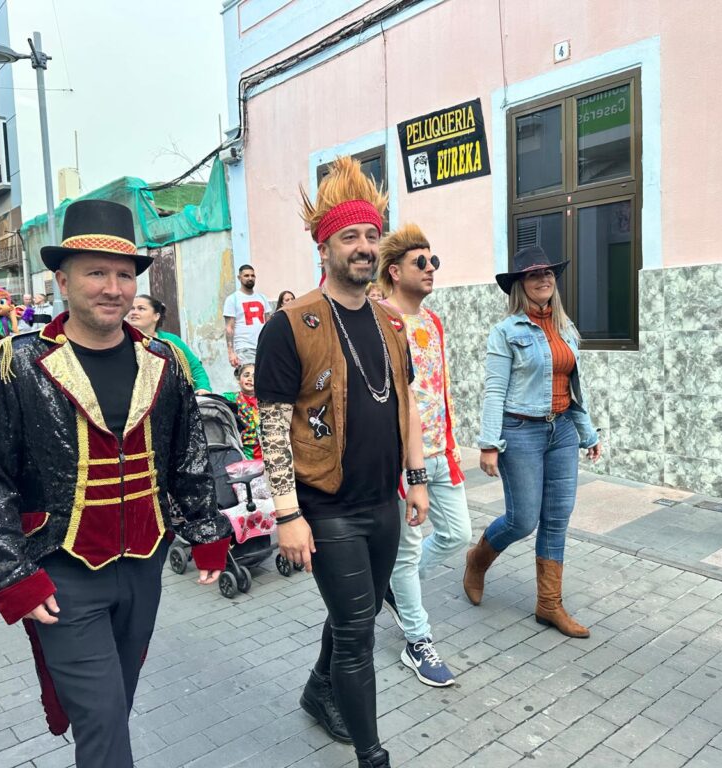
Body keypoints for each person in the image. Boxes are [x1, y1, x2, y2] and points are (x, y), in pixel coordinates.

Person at [0, 199, 233, 768]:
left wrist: (207, 532)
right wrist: (14, 575)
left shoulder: (164, 363)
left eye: (124, 275)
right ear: (62, 281)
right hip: (62, 574)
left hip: (145, 566)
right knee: (104, 722)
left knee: (118, 701)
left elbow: (188, 458)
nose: (113, 288)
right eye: (96, 273)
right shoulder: (15, 366)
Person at [254, 156, 429, 768]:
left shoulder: (390, 321)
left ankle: (318, 691)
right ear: (323, 245)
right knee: (358, 631)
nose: (362, 246)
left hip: (383, 501)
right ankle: (371, 754)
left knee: (359, 611)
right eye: (349, 236)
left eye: (370, 235)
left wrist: (416, 478)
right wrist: (286, 514)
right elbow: (271, 427)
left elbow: (405, 403)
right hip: (325, 507)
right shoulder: (291, 324)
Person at [466, 245, 602, 638]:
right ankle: (478, 558)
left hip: (561, 431)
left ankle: (549, 604)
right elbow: (494, 390)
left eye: (549, 273)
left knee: (557, 518)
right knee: (523, 519)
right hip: (520, 431)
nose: (544, 279)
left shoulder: (566, 329)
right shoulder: (505, 332)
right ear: (520, 285)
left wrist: (588, 433)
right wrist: (489, 442)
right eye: (533, 274)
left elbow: (574, 388)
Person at [375, 224, 471, 687]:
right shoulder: (380, 319)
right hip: (401, 460)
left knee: (458, 534)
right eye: (421, 262)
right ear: (394, 270)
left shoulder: (433, 322)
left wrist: (451, 445)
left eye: (434, 261)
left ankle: (397, 586)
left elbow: (439, 390)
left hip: (439, 450)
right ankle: (417, 641)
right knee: (407, 551)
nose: (431, 269)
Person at [126, 294, 213, 393]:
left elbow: (194, 367)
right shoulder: (122, 340)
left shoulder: (171, 341)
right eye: (131, 309)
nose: (134, 312)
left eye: (141, 309)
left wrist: (203, 387)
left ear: (156, 316)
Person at [223, 264, 270, 367]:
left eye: (252, 276)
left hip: (263, 347)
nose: (250, 278)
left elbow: (269, 324)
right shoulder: (232, 299)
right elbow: (229, 328)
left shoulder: (262, 298)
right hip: (244, 348)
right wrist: (231, 352)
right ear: (239, 278)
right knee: (250, 378)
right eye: (246, 275)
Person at [223, 363, 262, 459]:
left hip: (264, 450)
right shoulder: (230, 398)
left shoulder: (265, 401)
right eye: (246, 375)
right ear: (238, 380)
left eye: (254, 376)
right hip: (242, 451)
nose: (250, 379)